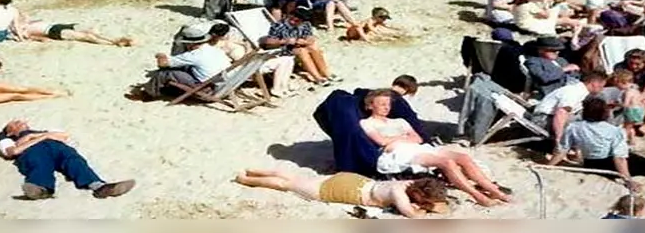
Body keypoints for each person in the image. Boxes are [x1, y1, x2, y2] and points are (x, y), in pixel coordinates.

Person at [359, 90, 512, 207]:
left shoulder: (400, 121)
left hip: (418, 148)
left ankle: (495, 191)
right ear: (370, 106)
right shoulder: (367, 123)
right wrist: (403, 138)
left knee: (463, 158)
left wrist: (394, 139)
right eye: (382, 104)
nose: (386, 107)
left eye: (388, 104)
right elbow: (381, 141)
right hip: (400, 153)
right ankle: (478, 196)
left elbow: (418, 138)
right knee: (446, 162)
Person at [548, 97, 645, 184]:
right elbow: (620, 158)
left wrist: (549, 166)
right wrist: (628, 181)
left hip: (591, 164)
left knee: (640, 159)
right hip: (611, 164)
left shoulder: (573, 127)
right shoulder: (614, 131)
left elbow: (561, 150)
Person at [0, 119, 135, 200]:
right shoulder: (7, 140)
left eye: (21, 121)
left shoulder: (41, 131)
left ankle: (99, 187)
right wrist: (40, 137)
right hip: (33, 152)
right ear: (10, 132)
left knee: (74, 160)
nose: (21, 122)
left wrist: (35, 136)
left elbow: (64, 136)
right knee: (39, 164)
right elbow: (13, 151)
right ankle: (42, 189)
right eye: (15, 123)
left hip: (57, 147)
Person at [234, 168, 446, 217]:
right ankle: (246, 179)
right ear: (420, 193)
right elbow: (413, 216)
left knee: (294, 178)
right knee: (286, 185)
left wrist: (423, 203)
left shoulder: (410, 183)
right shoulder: (398, 193)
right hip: (345, 190)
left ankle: (253, 170)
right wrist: (423, 209)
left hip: (354, 180)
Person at [131, 27, 230, 100]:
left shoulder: (194, 55)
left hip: (208, 90)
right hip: (224, 86)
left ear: (190, 43)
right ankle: (166, 89)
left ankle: (147, 95)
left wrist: (160, 55)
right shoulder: (215, 50)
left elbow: (163, 64)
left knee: (164, 73)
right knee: (185, 68)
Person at [260, 6, 337, 85]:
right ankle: (318, 78)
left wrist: (305, 42)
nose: (294, 21)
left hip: (299, 45)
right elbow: (269, 41)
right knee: (302, 51)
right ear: (290, 15)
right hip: (283, 48)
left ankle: (326, 73)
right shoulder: (279, 25)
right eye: (293, 18)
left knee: (314, 47)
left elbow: (311, 38)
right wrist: (286, 41)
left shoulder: (305, 24)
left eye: (298, 21)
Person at [531, 70, 609, 143]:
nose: (602, 89)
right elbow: (561, 113)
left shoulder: (581, 92)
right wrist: (559, 138)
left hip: (550, 119)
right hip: (543, 120)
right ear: (594, 83)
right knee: (584, 124)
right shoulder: (574, 91)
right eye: (601, 86)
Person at [23, 20, 133, 47]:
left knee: (91, 30)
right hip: (53, 32)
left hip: (58, 25)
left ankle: (115, 39)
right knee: (87, 37)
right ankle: (113, 43)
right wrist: (38, 39)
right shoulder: (21, 31)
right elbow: (28, 37)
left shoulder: (24, 21)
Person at [610, 69, 645, 144]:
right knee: (630, 126)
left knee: (626, 128)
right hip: (639, 110)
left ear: (623, 82)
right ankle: (632, 140)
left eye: (617, 85)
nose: (617, 87)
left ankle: (622, 141)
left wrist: (615, 104)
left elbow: (626, 104)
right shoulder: (635, 90)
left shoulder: (628, 92)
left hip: (632, 111)